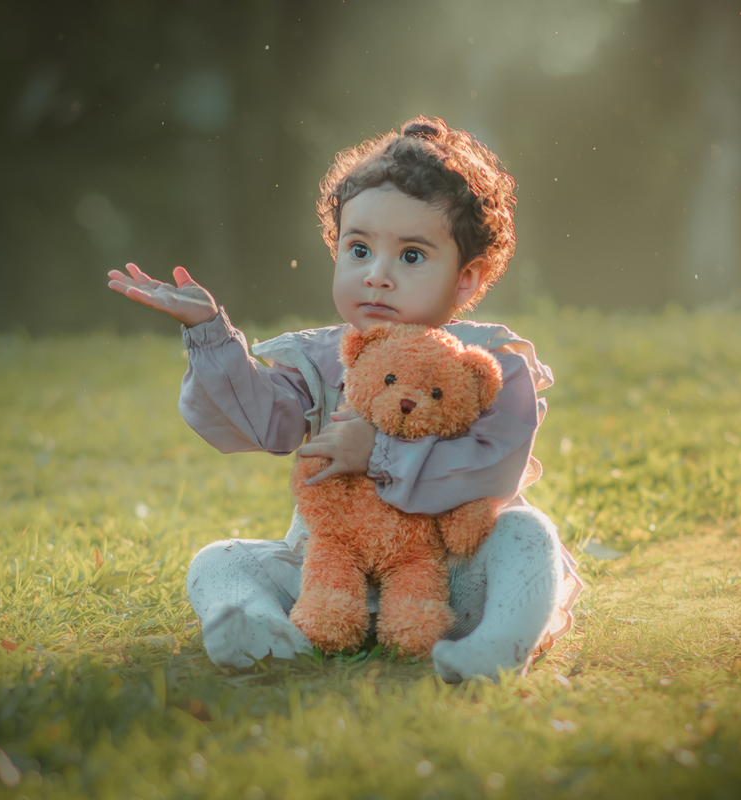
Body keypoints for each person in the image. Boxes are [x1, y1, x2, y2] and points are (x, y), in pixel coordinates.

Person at [107, 116, 582, 682]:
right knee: (220, 560)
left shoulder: (487, 363)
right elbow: (258, 422)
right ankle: (264, 631)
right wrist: (209, 331)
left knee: (529, 536)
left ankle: (496, 646)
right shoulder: (324, 358)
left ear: (466, 279)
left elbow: (494, 465)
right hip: (336, 572)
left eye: (410, 256)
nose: (376, 276)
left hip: (456, 576)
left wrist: (376, 453)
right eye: (358, 249)